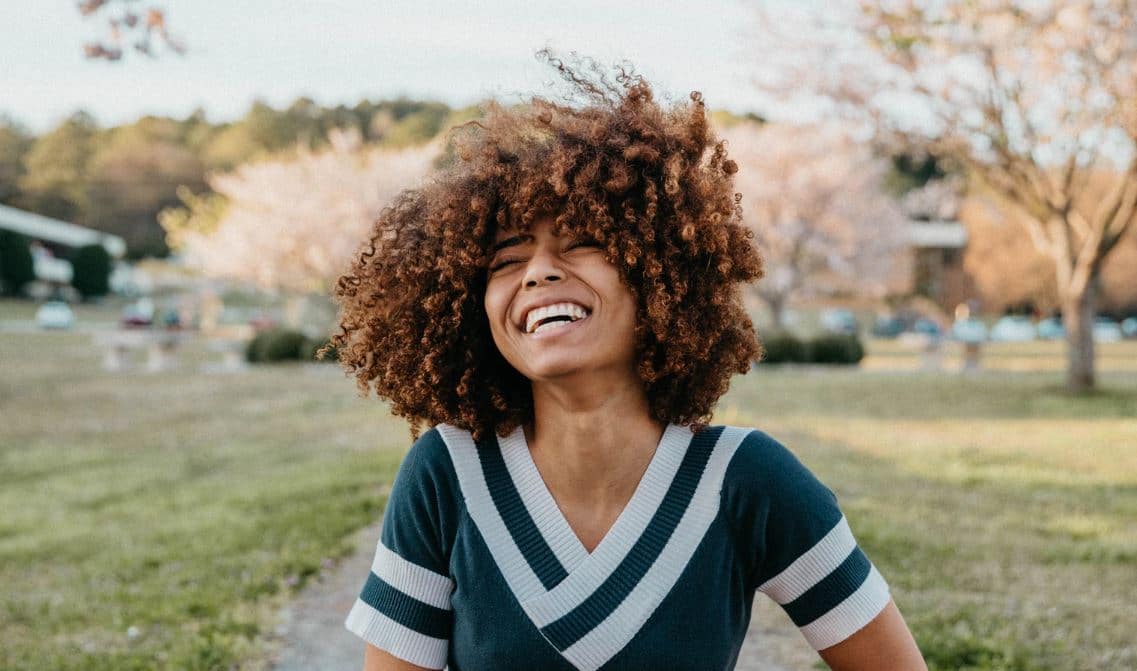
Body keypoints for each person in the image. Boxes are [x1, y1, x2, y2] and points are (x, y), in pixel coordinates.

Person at [325, 53, 927, 671]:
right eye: (506, 259)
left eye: (583, 241)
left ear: (658, 272)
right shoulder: (447, 475)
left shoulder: (745, 479)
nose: (538, 272)